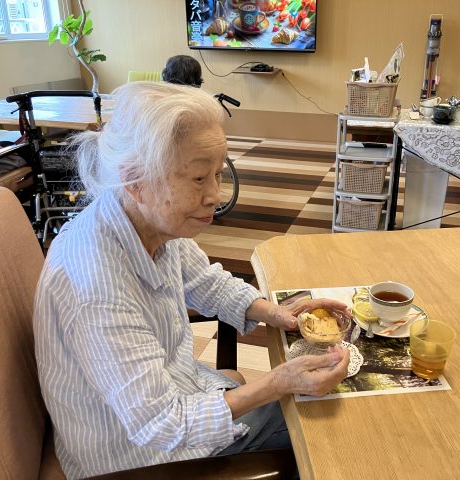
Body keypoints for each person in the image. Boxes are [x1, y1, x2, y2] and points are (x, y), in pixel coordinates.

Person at [33, 81, 350, 479]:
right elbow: (162, 423)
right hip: (140, 458)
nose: (215, 194)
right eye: (199, 178)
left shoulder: (143, 219)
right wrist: (278, 382)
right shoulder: (97, 287)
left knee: (317, 403)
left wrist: (277, 313)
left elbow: (206, 282)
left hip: (177, 394)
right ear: (135, 180)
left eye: (218, 174)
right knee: (329, 424)